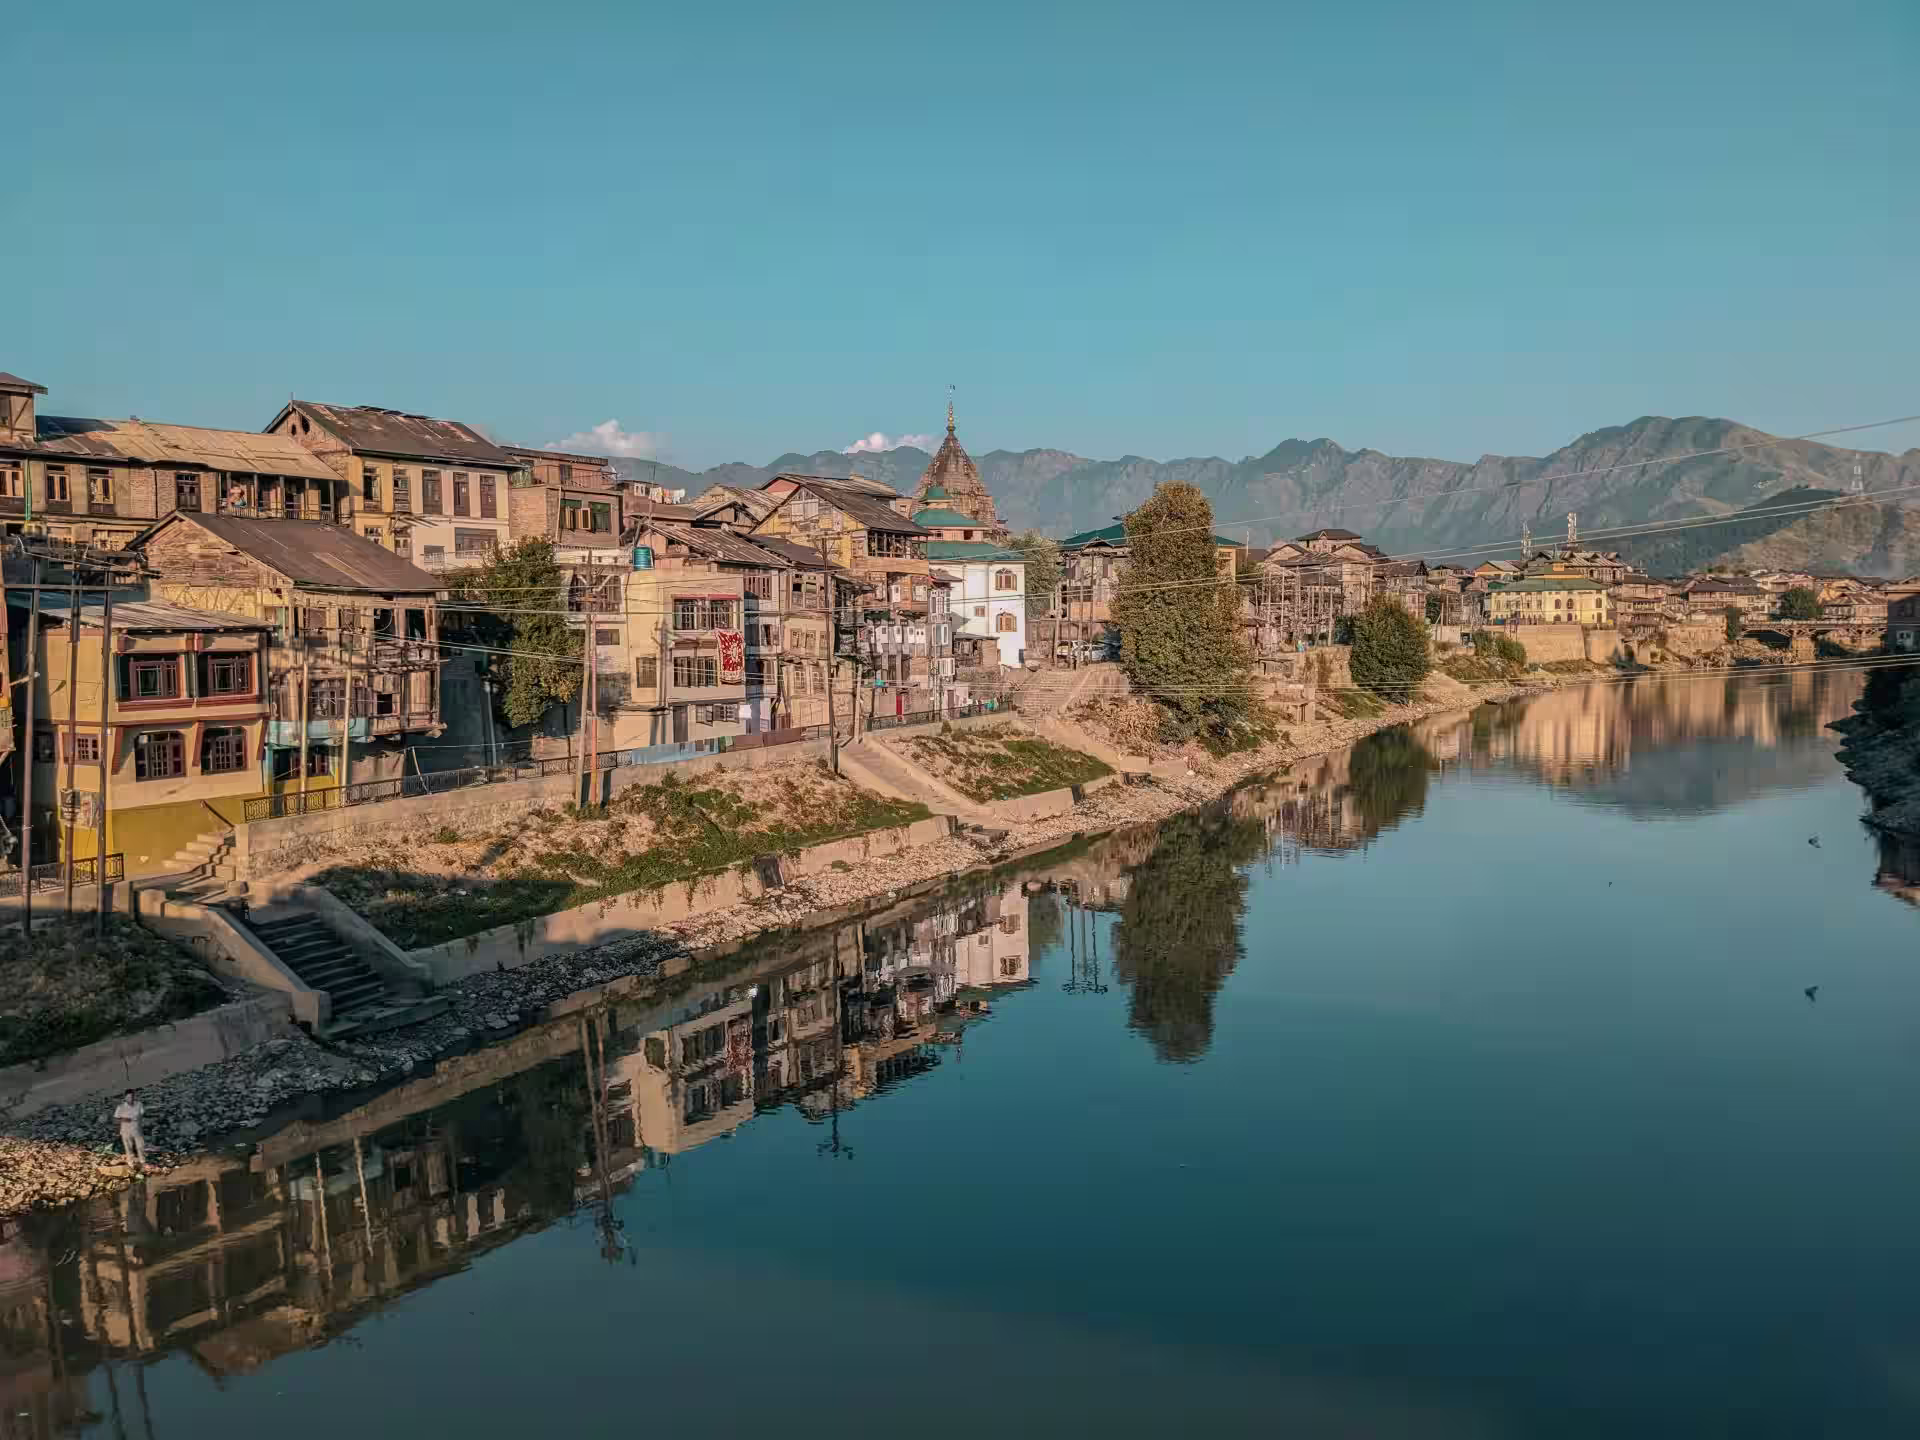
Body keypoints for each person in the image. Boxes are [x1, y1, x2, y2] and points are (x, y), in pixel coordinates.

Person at [114, 1089, 147, 1170]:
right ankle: (131, 1164)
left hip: (137, 1130)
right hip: (125, 1131)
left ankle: (143, 1162)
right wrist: (123, 1121)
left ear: (134, 1096)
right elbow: (115, 1120)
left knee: (141, 1146)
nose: (130, 1098)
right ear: (125, 1097)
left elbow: (142, 1114)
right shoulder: (120, 1107)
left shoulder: (139, 1104)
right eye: (128, 1097)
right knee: (128, 1148)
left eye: (132, 1096)